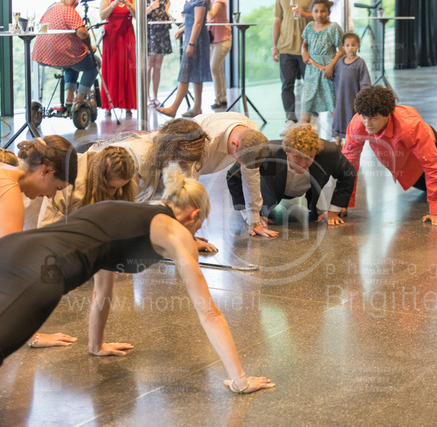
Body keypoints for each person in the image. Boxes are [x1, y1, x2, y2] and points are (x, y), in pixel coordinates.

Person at [0, 164, 276, 395]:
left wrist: (96, 346)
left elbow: (102, 292)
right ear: (194, 214)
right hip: (39, 269)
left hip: (15, 248)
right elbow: (209, 312)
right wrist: (240, 380)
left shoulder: (124, 214)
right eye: (200, 223)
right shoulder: (176, 233)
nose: (197, 230)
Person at [0, 136, 78, 349]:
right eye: (57, 188)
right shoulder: (9, 192)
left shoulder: (4, 169)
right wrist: (31, 336)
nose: (50, 196)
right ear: (47, 171)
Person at [341, 86, 437, 224]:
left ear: (387, 115)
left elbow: (432, 165)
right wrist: (342, 202)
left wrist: (436, 210)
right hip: (402, 162)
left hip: (426, 147)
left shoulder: (410, 126)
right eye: (364, 117)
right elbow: (349, 163)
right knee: (427, 186)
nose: (367, 124)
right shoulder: (358, 123)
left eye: (374, 118)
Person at [227, 124, 356, 225]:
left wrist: (334, 211)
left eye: (309, 158)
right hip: (270, 191)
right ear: (287, 151)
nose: (303, 164)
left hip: (305, 190)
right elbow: (233, 176)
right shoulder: (267, 152)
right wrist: (249, 215)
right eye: (297, 157)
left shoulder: (329, 153)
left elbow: (348, 174)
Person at [193, 112, 279, 238]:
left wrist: (254, 220)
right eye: (240, 161)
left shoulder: (252, 132)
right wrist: (189, 235)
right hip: (175, 162)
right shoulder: (203, 140)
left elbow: (251, 178)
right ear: (235, 144)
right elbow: (187, 185)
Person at [89, 118, 208, 204]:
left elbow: (177, 197)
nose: (185, 166)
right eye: (182, 161)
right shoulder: (136, 156)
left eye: (189, 162)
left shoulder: (185, 154)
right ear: (168, 152)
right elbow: (125, 205)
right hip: (97, 176)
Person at [38, 146, 137, 226]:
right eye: (112, 187)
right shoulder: (66, 182)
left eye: (121, 187)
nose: (114, 192)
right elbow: (47, 228)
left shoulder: (122, 175)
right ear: (100, 179)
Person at [32, 0, 99, 108]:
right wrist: (89, 47)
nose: (77, 2)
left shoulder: (50, 8)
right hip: (61, 55)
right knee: (95, 62)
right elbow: (82, 33)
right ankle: (79, 98)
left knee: (71, 63)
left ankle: (69, 98)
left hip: (42, 56)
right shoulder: (69, 11)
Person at [157, 0, 212, 118]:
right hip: (192, 36)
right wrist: (182, 30)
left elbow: (198, 22)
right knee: (196, 74)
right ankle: (197, 108)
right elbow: (192, 20)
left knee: (185, 72)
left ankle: (173, 108)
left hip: (196, 40)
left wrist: (191, 44)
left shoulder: (199, 1)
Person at [300, 0, 343, 126]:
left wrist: (331, 66)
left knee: (332, 102)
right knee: (306, 102)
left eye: (323, 11)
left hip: (328, 70)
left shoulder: (334, 27)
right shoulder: (309, 27)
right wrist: (304, 53)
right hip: (311, 71)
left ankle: (338, 135)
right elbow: (304, 45)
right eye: (316, 11)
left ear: (329, 12)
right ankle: (303, 134)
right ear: (312, 13)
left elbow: (341, 50)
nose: (319, 14)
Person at [272, 0, 313, 136]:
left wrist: (305, 14)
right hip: (286, 48)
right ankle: (290, 119)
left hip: (307, 48)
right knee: (286, 85)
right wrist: (274, 46)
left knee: (310, 85)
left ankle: (309, 120)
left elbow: (321, 15)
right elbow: (277, 20)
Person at [332, 33, 370, 146]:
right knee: (339, 116)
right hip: (340, 98)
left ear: (358, 46)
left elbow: (365, 82)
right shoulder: (339, 62)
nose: (350, 48)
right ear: (343, 47)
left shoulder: (360, 63)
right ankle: (337, 140)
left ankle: (350, 141)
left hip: (353, 98)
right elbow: (333, 76)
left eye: (353, 45)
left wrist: (362, 97)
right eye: (347, 45)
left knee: (351, 118)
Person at [100, 0, 137, 117]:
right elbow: (102, 15)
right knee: (111, 68)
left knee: (128, 67)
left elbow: (137, 16)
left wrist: (129, 5)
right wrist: (114, 4)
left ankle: (128, 104)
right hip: (111, 35)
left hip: (127, 33)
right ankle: (108, 105)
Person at [147, 0, 173, 108]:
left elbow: (167, 15)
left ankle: (155, 97)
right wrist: (151, 7)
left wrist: (168, 15)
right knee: (148, 66)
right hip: (149, 34)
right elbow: (138, 16)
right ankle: (147, 97)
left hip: (162, 33)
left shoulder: (166, 1)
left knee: (157, 67)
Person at [207, 0, 232, 110]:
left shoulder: (219, 1)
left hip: (223, 40)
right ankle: (221, 99)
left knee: (214, 67)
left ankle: (219, 98)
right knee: (218, 69)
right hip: (213, 40)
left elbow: (211, 15)